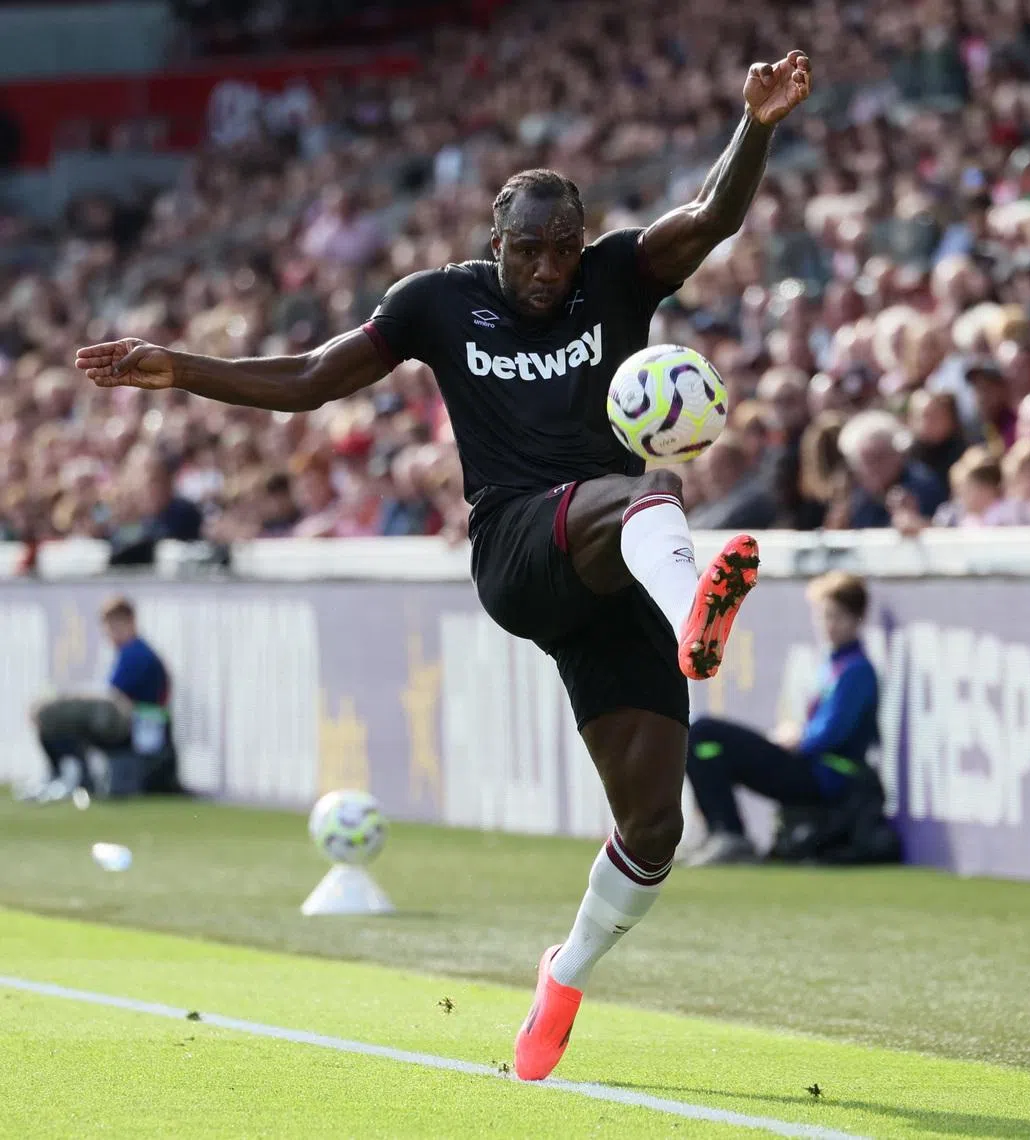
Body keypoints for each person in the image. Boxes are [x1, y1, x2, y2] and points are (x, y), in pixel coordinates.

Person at [75, 52, 814, 1082]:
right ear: (493, 245)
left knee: (654, 826)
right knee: (652, 487)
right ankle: (698, 605)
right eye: (529, 252)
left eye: (562, 249)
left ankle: (563, 975)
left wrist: (757, 125)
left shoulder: (617, 275)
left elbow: (712, 217)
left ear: (583, 241)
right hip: (520, 544)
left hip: (616, 575)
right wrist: (182, 368)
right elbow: (311, 377)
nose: (548, 270)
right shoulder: (436, 303)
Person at [684, 572, 892, 867]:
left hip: (827, 776)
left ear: (857, 619)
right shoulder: (835, 664)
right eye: (824, 616)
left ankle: (730, 835)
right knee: (701, 741)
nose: (829, 625)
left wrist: (797, 739)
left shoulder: (857, 670)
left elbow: (830, 734)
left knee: (704, 732)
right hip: (811, 767)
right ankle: (721, 830)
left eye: (838, 617)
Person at [24, 597, 177, 802]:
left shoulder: (136, 654)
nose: (110, 633)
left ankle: (70, 777)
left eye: (115, 626)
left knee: (52, 714)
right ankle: (69, 776)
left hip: (141, 729)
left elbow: (112, 699)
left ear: (130, 622)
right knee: (60, 720)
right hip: (135, 726)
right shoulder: (127, 653)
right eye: (108, 627)